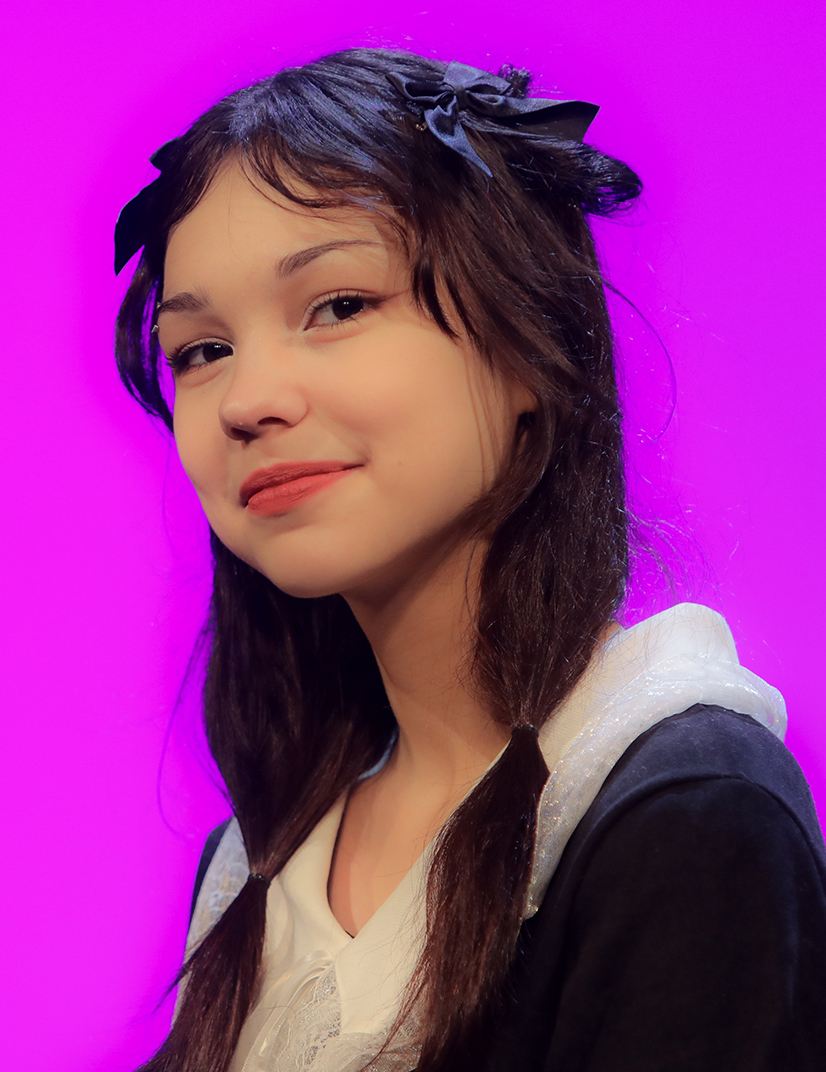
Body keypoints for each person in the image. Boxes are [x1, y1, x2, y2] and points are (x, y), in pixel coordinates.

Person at [113, 48, 826, 1072]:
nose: (246, 400)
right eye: (202, 350)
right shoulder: (262, 860)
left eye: (339, 305)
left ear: (528, 346)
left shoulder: (681, 813)